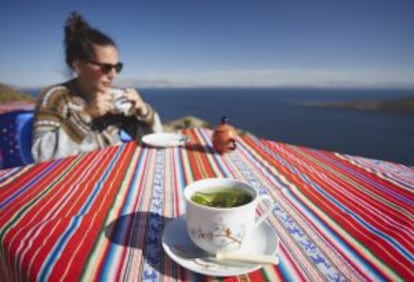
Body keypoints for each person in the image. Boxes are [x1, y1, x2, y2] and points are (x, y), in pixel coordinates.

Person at [32, 11, 162, 162]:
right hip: (74, 175)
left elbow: (152, 139)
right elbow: (41, 155)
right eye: (106, 67)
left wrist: (143, 111)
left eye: (117, 67)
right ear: (78, 66)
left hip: (113, 167)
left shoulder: (114, 97)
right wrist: (86, 114)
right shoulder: (56, 97)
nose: (113, 75)